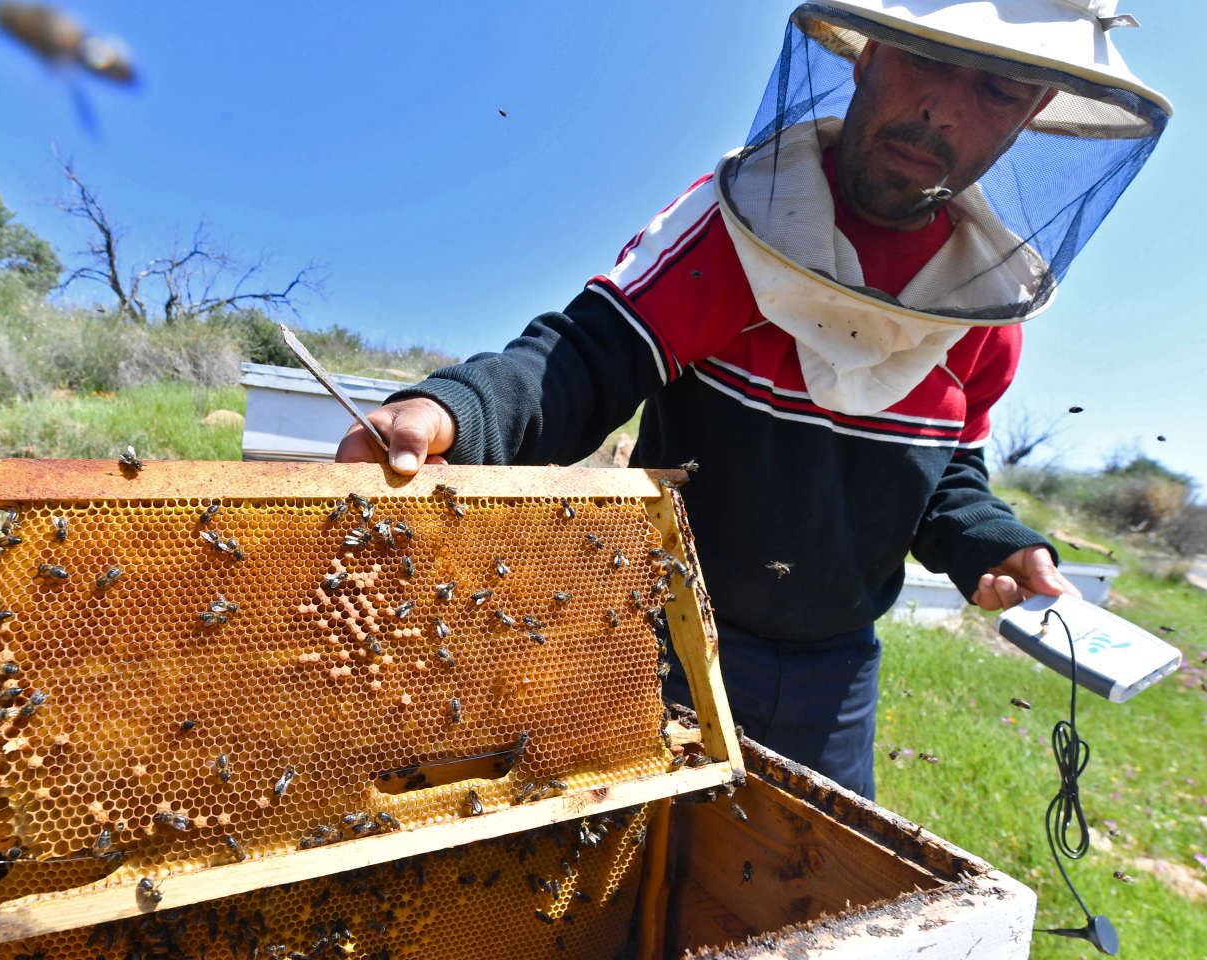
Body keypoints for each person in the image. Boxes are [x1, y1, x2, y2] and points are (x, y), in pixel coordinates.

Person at [336, 0, 1171, 799]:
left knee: (808, 904)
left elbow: (948, 473)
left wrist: (993, 543)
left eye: (994, 89)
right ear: (868, 50)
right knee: (620, 879)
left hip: (838, 675)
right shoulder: (736, 230)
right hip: (665, 635)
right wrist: (459, 409)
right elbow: (584, 360)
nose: (941, 112)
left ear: (1031, 115)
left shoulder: (983, 308)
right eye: (927, 59)